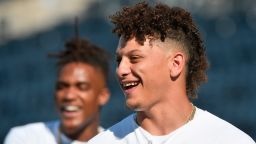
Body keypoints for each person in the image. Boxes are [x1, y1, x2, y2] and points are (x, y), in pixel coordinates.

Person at [88, 2, 255, 144]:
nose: (121, 70)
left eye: (135, 58)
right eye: (119, 60)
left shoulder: (230, 140)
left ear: (175, 64)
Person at [4, 37, 111, 144]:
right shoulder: (25, 138)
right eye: (61, 86)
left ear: (103, 96)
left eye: (81, 87)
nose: (69, 95)